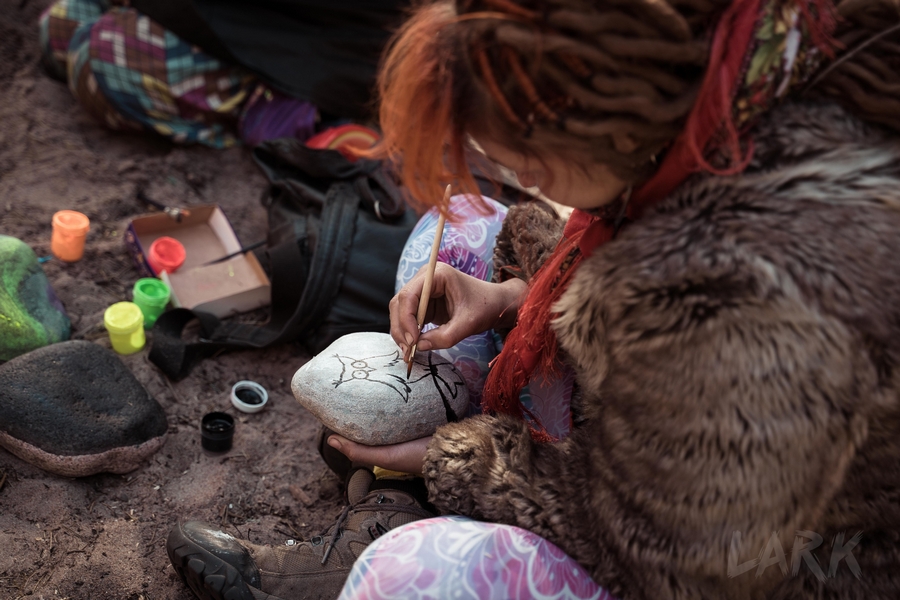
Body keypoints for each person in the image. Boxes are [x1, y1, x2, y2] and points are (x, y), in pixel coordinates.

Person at [167, 0, 900, 598]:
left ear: (588, 125)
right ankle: (412, 482)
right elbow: (612, 279)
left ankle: (402, 519)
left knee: (410, 577)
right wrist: (510, 296)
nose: (514, 171)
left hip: (746, 561)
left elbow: (671, 552)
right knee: (460, 226)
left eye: (518, 156)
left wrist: (453, 460)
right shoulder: (731, 81)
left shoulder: (747, 302)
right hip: (675, 430)